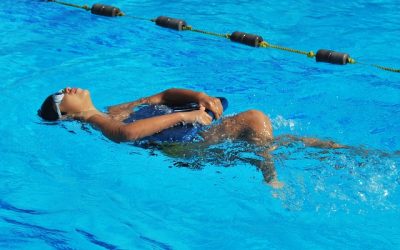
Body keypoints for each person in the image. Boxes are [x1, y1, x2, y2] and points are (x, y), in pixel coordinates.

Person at [38, 87, 345, 188]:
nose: (67, 89)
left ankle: (356, 155)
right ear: (65, 113)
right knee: (256, 120)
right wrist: (185, 116)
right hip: (179, 147)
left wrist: (200, 97)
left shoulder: (113, 109)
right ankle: (272, 180)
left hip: (189, 139)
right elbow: (127, 135)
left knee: (284, 142)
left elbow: (162, 95)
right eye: (59, 95)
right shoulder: (100, 121)